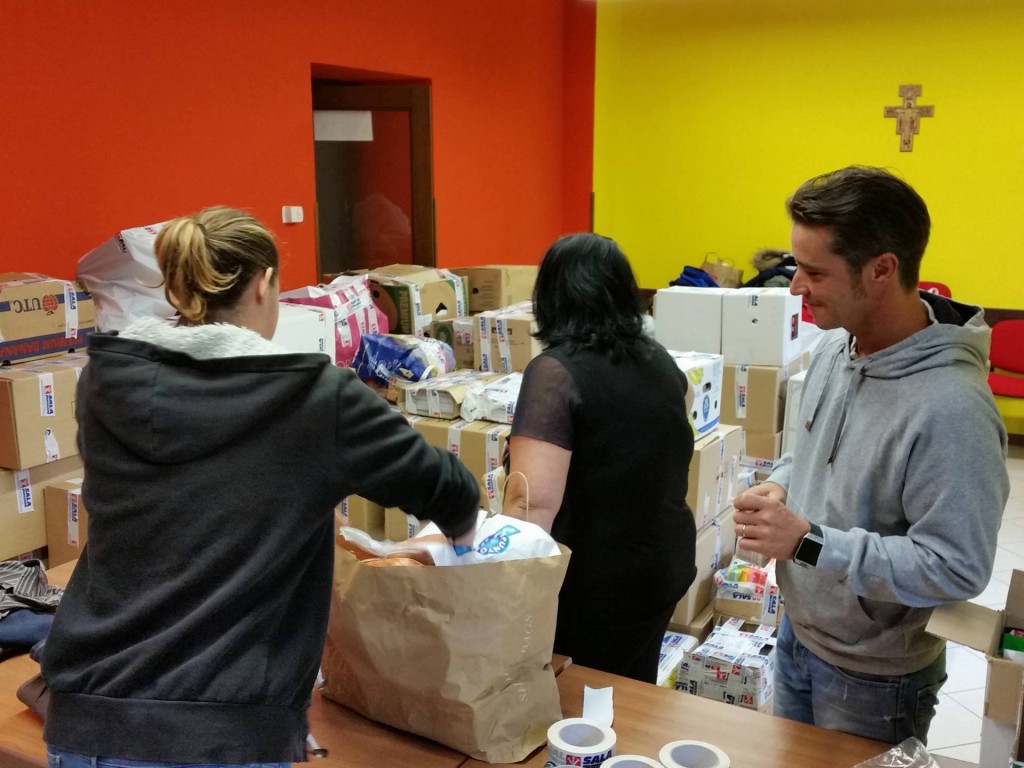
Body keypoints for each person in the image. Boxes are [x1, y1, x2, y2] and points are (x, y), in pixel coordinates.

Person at [40, 206, 480, 767]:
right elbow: (449, 491)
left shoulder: (105, 379)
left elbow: (187, 501)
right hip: (217, 733)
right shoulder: (315, 397)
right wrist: (466, 544)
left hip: (85, 718)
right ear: (264, 284)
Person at [733, 166, 1009, 744]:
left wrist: (807, 542)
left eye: (815, 272)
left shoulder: (952, 407)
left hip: (876, 679)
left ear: (882, 269)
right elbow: (810, 452)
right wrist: (782, 483)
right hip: (799, 636)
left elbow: (956, 567)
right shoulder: (836, 348)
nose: (795, 287)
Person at [503, 232, 697, 684]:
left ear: (551, 297)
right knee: (630, 691)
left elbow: (530, 504)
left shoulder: (555, 372)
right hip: (662, 564)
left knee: (578, 699)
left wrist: (507, 593)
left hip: (596, 586)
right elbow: (670, 419)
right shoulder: (658, 359)